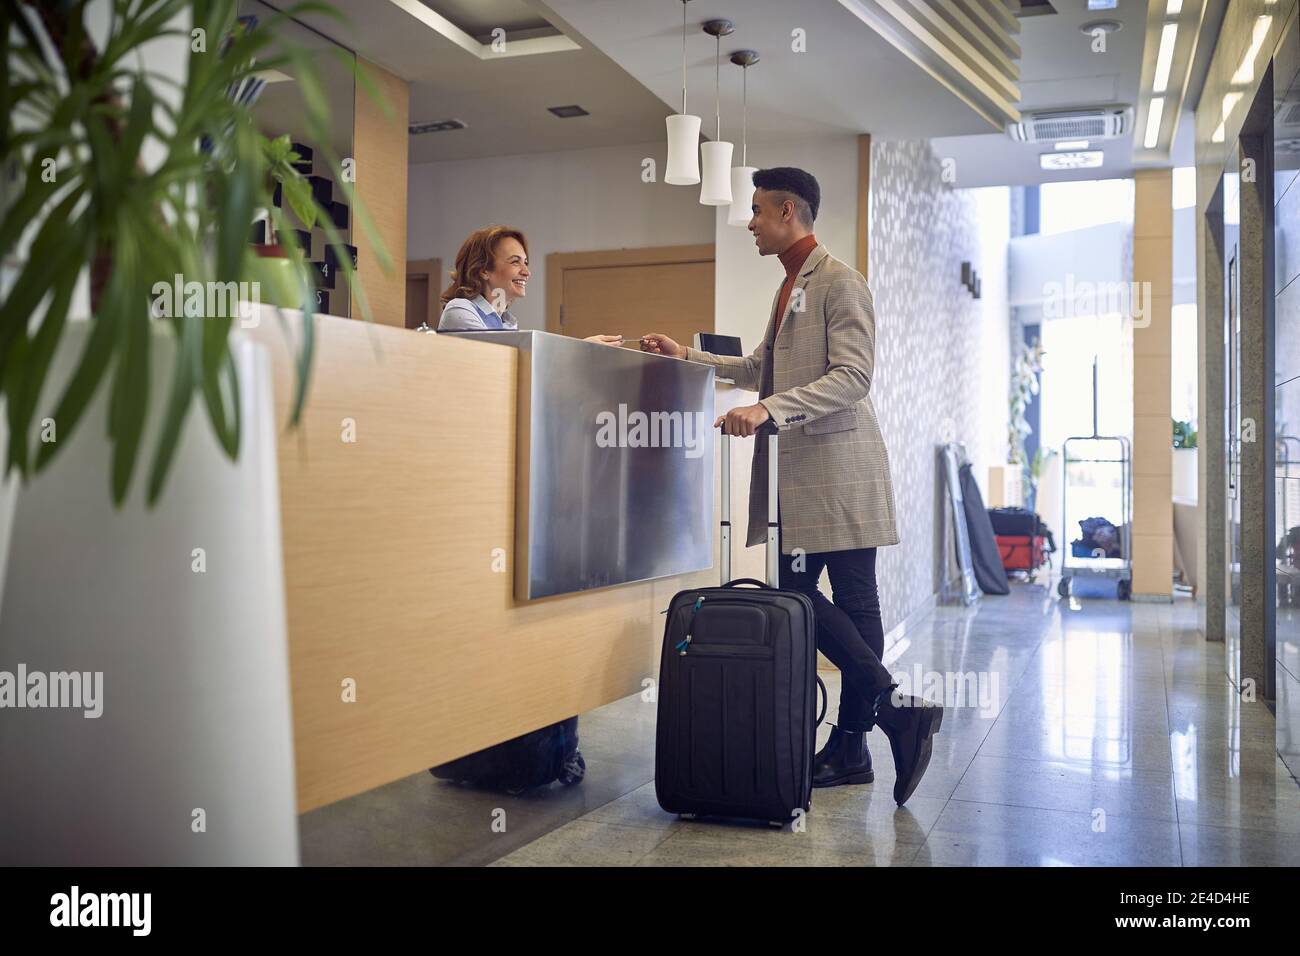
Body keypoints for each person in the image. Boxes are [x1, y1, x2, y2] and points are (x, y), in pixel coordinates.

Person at [640, 166, 942, 806]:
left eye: (754, 211)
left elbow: (854, 377)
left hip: (839, 468)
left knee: (832, 601)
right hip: (801, 474)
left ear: (786, 211)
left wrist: (769, 409)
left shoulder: (840, 282)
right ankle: (878, 726)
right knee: (812, 598)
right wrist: (685, 357)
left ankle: (864, 734)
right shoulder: (789, 288)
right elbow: (759, 367)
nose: (748, 222)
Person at [438, 225, 621, 345]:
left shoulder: (506, 322)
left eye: (526, 262)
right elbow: (504, 368)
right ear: (484, 270)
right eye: (515, 262)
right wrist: (582, 349)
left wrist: (583, 348)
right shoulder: (459, 310)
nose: (526, 272)